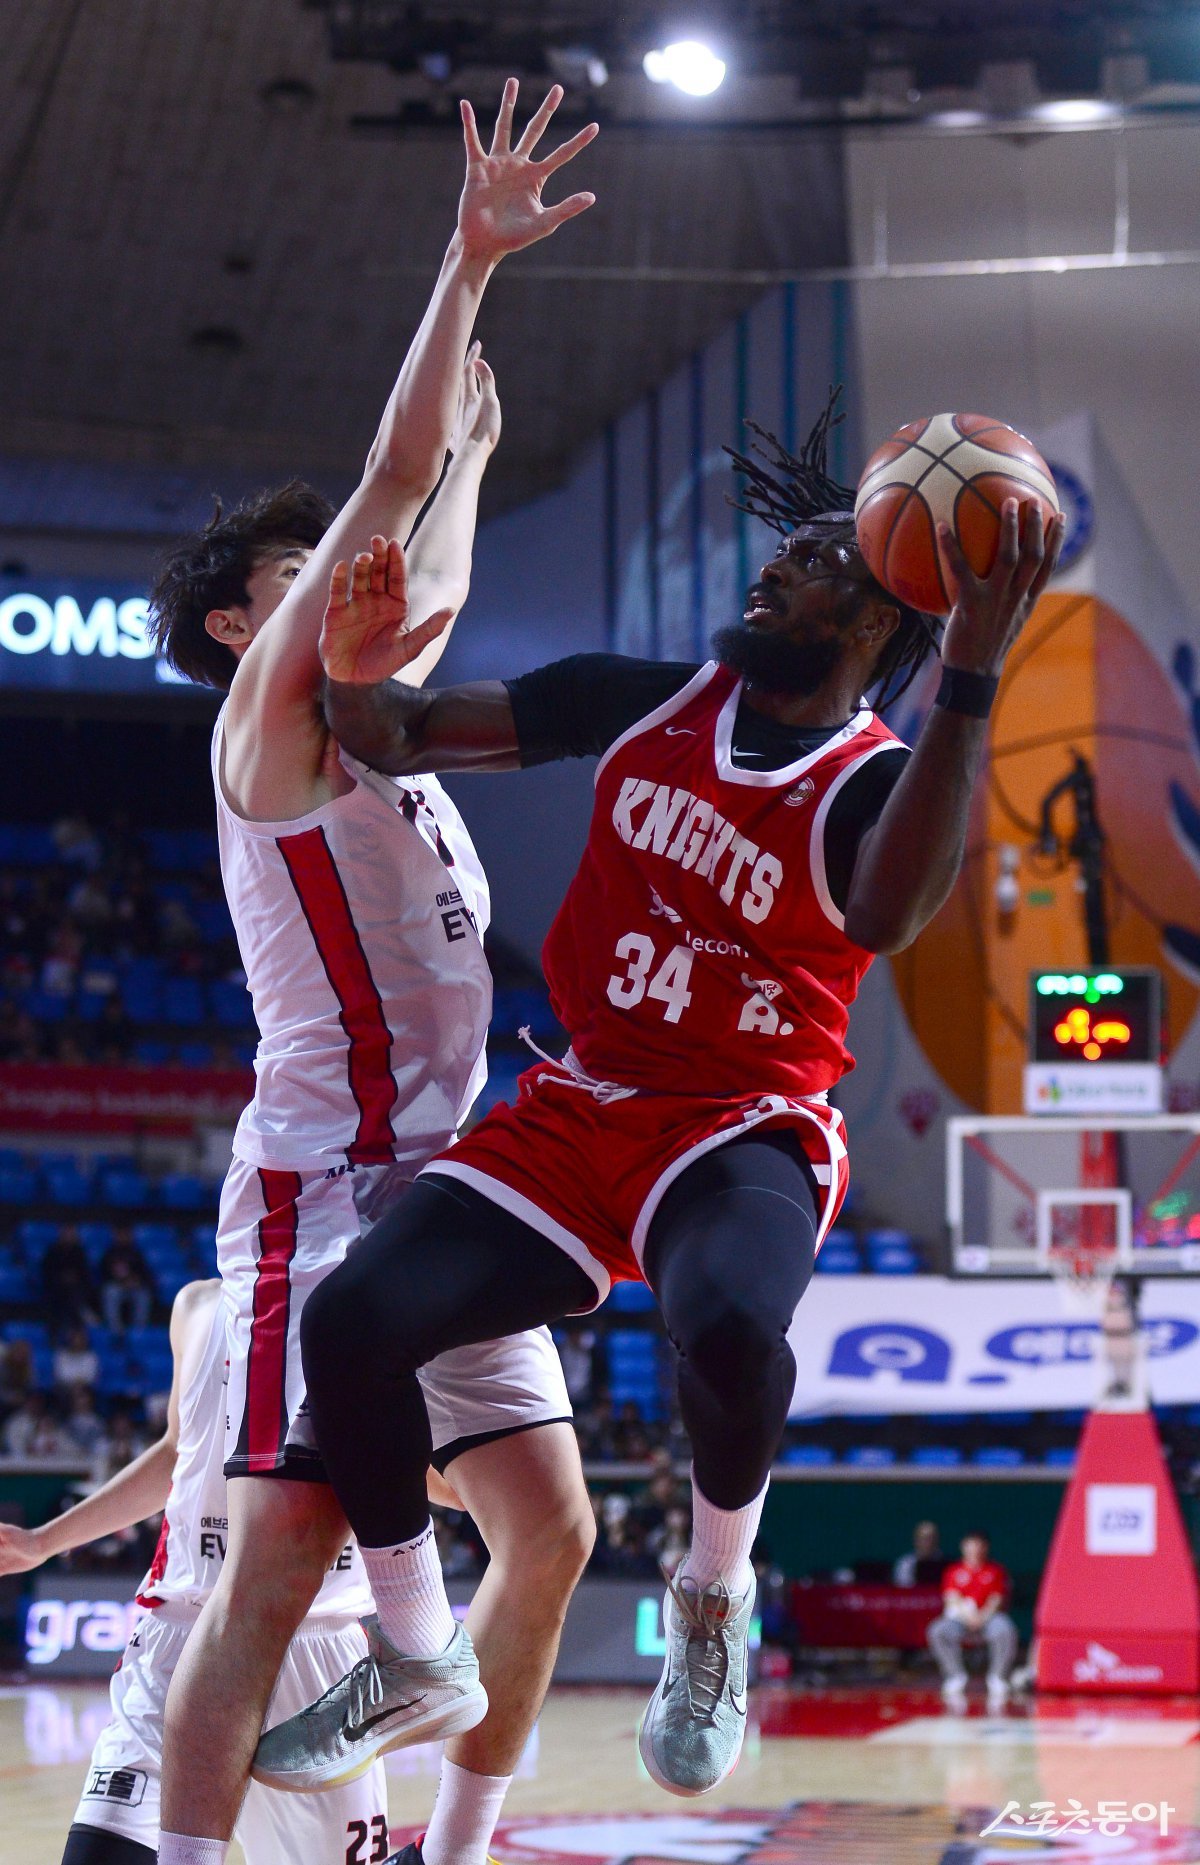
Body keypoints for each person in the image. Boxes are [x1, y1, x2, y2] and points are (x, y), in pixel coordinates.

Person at [256, 399, 1065, 1798]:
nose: (777, 568)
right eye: (786, 551)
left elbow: (886, 912)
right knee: (350, 1321)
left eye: (817, 561)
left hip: (740, 1124)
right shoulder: (650, 700)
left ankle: (713, 1597)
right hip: (583, 1104)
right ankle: (416, 1647)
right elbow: (396, 734)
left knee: (736, 1328)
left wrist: (976, 679)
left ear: (879, 614)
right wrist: (355, 667)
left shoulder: (876, 783)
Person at [147, 79, 599, 1865]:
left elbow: (432, 549)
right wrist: (467, 266)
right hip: (325, 1189)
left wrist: (474, 458)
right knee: (277, 1564)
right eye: (316, 565)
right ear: (246, 621)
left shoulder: (383, 724)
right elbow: (393, 493)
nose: (367, 575)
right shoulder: (268, 733)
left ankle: (455, 1853)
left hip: (447, 1183)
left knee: (551, 1532)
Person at [0, 1280, 389, 1864]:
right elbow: (177, 1453)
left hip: (315, 1643)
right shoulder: (197, 1305)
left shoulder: (373, 1300)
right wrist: (42, 1542)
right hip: (182, 1632)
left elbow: (428, 1466)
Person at [927, 1530, 1018, 1710]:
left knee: (1005, 1629)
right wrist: (968, 1616)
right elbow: (951, 1597)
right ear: (963, 1547)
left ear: (986, 1548)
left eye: (979, 1545)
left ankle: (997, 1677)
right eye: (971, 1545)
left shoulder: (995, 1570)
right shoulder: (953, 1571)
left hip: (988, 1618)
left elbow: (996, 1599)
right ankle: (955, 1676)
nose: (975, 1549)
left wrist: (982, 1617)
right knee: (937, 1630)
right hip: (960, 1619)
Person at [893, 1518, 942, 1587]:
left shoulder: (946, 1565)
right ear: (916, 1540)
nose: (929, 1543)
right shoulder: (905, 1564)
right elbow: (902, 1588)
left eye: (932, 1538)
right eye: (924, 1538)